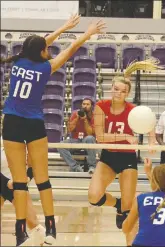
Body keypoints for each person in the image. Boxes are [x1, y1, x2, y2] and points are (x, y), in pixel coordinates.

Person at [1, 13, 106, 246]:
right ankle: (51, 228)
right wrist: (86, 33)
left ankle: (20, 234)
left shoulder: (18, 62)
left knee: (19, 183)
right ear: (41, 51)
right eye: (45, 48)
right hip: (32, 124)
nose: (48, 49)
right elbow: (71, 48)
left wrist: (64, 27)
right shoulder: (45, 68)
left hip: (11, 123)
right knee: (42, 180)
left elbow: (41, 42)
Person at [88, 59, 162, 246]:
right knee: (94, 197)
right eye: (116, 89)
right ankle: (117, 204)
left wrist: (152, 141)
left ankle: (130, 242)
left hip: (127, 158)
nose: (119, 93)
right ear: (111, 88)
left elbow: (150, 123)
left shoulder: (133, 110)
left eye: (123, 91)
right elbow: (100, 137)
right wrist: (124, 137)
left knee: (129, 212)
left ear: (128, 93)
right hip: (108, 157)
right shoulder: (101, 106)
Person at [122, 158, 165, 247]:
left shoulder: (141, 198)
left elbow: (126, 229)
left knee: (133, 228)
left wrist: (129, 215)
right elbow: (161, 190)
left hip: (140, 244)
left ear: (154, 180)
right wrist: (149, 173)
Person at [1, 148, 45, 246]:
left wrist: (28, 177)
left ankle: (21, 238)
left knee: (36, 227)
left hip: (17, 184)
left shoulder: (26, 141)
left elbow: (34, 164)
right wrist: (7, 182)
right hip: (3, 181)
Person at [58, 98, 97, 174]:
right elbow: (69, 130)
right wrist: (77, 118)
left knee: (90, 138)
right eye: (84, 104)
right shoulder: (75, 114)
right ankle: (75, 167)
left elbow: (90, 133)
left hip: (87, 141)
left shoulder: (94, 116)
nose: (85, 106)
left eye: (87, 104)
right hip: (76, 140)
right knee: (60, 145)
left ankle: (92, 166)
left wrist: (85, 120)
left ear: (91, 106)